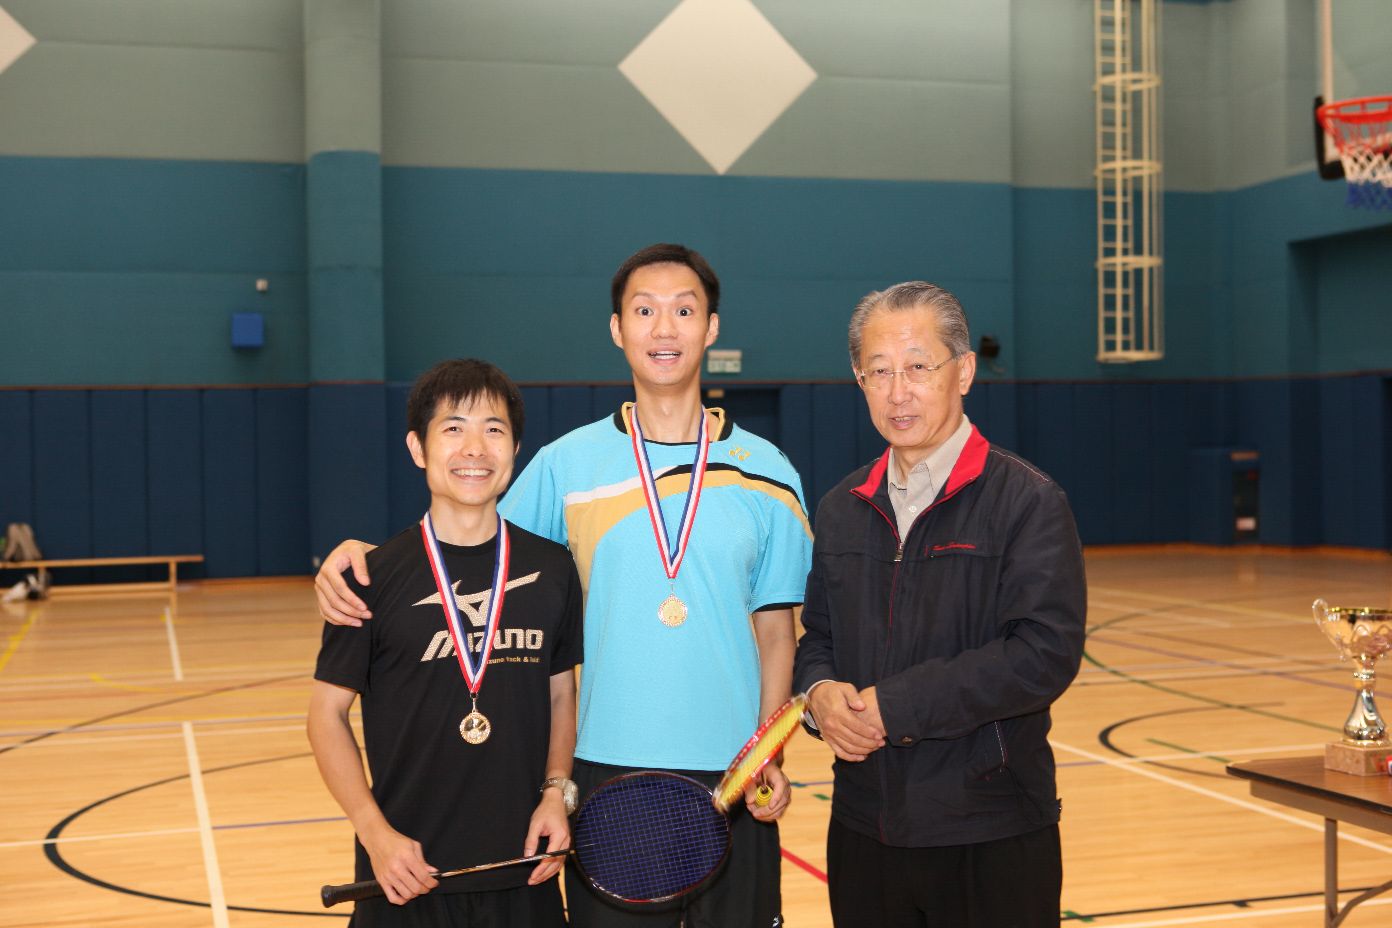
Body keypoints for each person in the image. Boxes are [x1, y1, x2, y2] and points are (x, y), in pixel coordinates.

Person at [314, 244, 814, 928]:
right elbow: (472, 545)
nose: (664, 328)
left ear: (712, 328)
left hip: (732, 773)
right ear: (617, 329)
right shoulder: (564, 465)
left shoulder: (771, 471)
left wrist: (767, 753)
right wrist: (363, 556)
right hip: (603, 775)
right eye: (644, 311)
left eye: (684, 310)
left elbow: (777, 631)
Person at [793, 282, 1086, 928]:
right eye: (878, 371)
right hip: (864, 829)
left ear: (965, 372)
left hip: (990, 829)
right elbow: (818, 637)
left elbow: (1043, 655)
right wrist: (818, 694)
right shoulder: (841, 508)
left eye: (919, 366)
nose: (898, 392)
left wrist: (897, 706)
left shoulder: (1029, 502)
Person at [307, 359, 583, 927]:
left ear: (515, 449)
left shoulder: (553, 568)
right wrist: (374, 833)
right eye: (453, 428)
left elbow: (561, 695)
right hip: (403, 872)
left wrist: (557, 793)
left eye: (493, 429)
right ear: (418, 447)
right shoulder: (370, 576)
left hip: (523, 865)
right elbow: (325, 716)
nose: (475, 448)